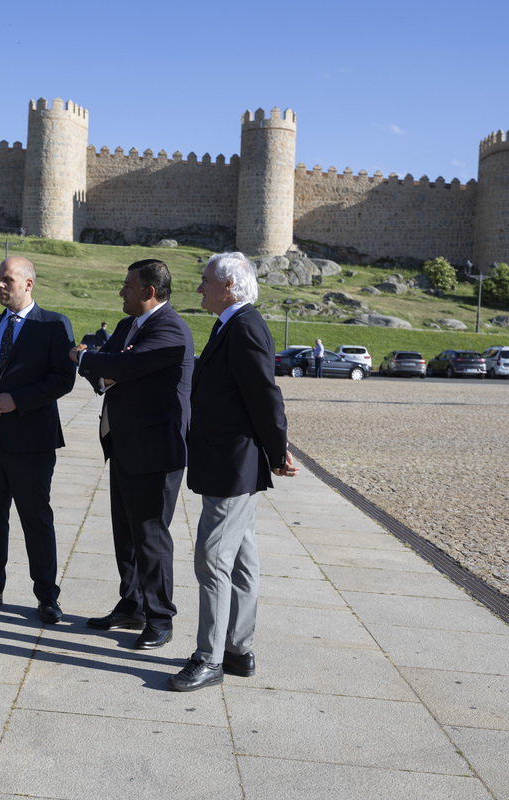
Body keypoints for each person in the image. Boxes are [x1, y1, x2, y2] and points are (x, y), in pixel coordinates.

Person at [167, 251, 299, 692]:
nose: (200, 287)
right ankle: (239, 650)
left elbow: (265, 395)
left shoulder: (244, 327)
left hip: (234, 464)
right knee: (242, 559)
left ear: (228, 286)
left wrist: (279, 452)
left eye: (206, 281)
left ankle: (209, 658)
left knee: (211, 557)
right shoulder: (229, 324)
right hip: (224, 460)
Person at [72, 260, 193, 650]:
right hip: (124, 445)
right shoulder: (127, 327)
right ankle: (132, 605)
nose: (121, 292)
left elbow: (113, 363)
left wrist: (90, 359)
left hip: (155, 452)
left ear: (149, 292)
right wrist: (106, 366)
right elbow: (109, 369)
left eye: (127, 286)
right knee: (125, 534)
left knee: (151, 536)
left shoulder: (169, 328)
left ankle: (160, 619)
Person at [0, 256, 75, 624]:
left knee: (36, 520)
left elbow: (62, 379)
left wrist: (15, 401)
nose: (0, 285)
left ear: (29, 283)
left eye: (7, 279)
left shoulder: (54, 325)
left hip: (32, 443)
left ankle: (47, 597)